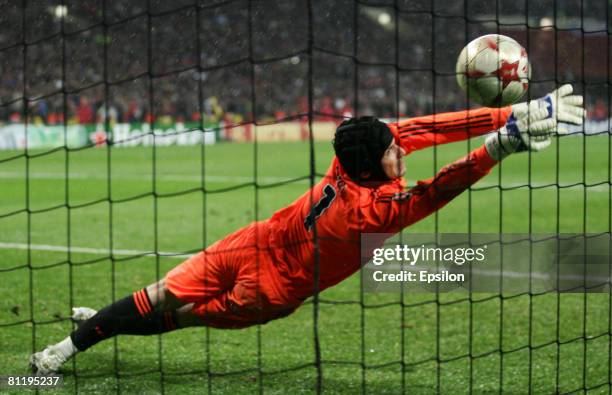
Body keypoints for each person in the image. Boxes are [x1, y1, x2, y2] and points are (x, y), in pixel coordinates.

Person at [30, 85, 585, 374]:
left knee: (174, 311)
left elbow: (420, 131)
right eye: (395, 150)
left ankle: (105, 325)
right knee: (167, 302)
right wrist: (501, 142)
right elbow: (441, 186)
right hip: (261, 266)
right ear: (374, 165)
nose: (403, 149)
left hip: (261, 268)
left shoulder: (351, 161)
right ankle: (67, 349)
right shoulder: (375, 212)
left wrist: (508, 116)